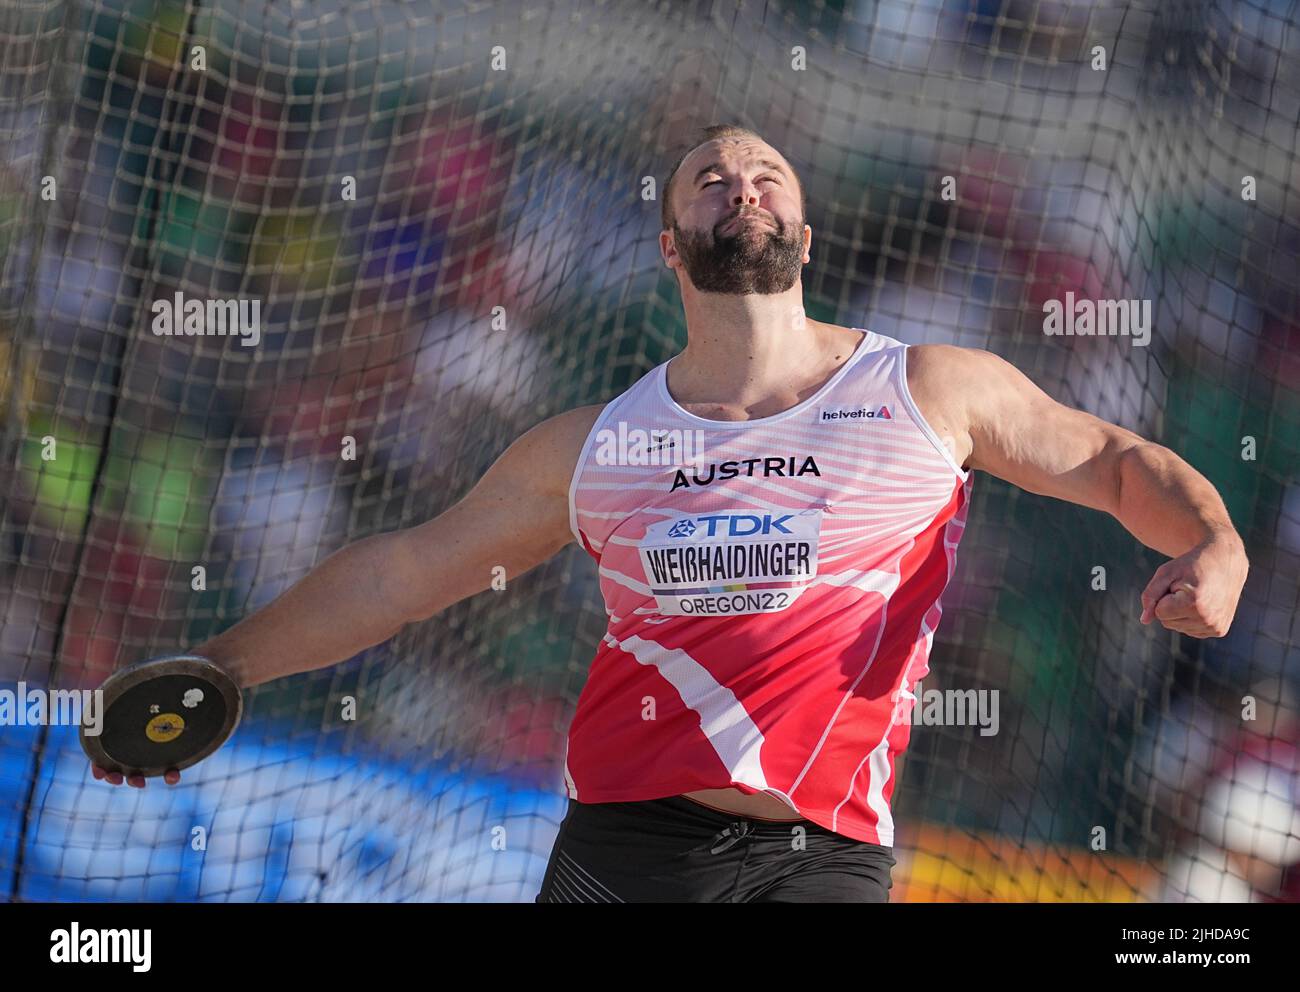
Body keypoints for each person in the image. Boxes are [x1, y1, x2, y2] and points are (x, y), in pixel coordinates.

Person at [92, 124, 1249, 904]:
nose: (741, 185)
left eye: (766, 177)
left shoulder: (931, 389)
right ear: (666, 246)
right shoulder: (591, 445)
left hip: (822, 855)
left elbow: (1111, 459)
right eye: (711, 178)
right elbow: (406, 571)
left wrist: (1215, 540)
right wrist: (225, 666)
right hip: (625, 849)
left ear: (807, 232)